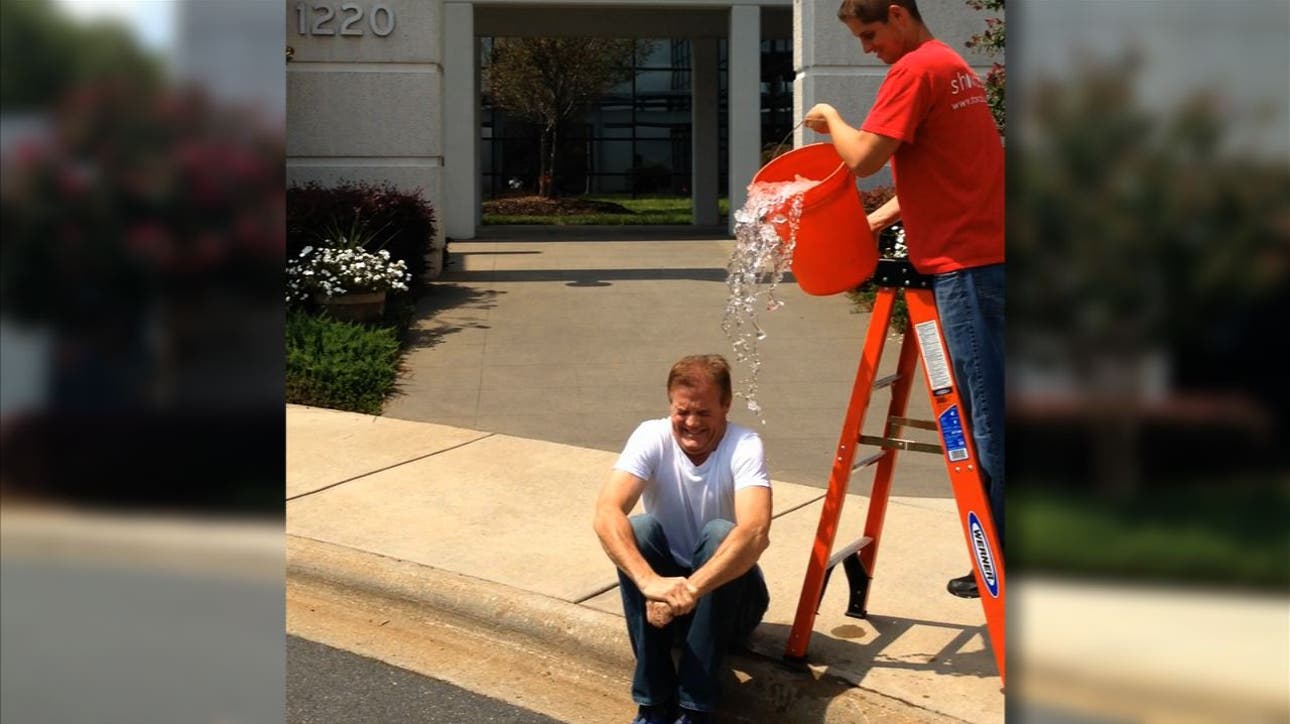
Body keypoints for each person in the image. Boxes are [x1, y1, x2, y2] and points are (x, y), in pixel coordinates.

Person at [803, 0, 1005, 599]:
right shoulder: (952, 67)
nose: (868, 49)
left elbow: (864, 158)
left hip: (963, 269)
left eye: (870, 35)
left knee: (986, 418)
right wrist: (861, 229)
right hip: (989, 258)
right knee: (993, 407)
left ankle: (999, 560)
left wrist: (831, 118)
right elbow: (936, 175)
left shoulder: (914, 69)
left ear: (897, 14)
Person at [593, 354, 772, 724]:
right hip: (664, 602)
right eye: (681, 411)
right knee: (639, 530)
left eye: (703, 413)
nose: (691, 423)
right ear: (670, 404)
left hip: (729, 602)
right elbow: (606, 512)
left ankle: (694, 709)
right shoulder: (650, 435)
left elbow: (755, 531)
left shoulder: (745, 445)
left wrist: (690, 591)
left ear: (726, 405)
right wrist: (651, 582)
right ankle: (654, 705)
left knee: (721, 533)